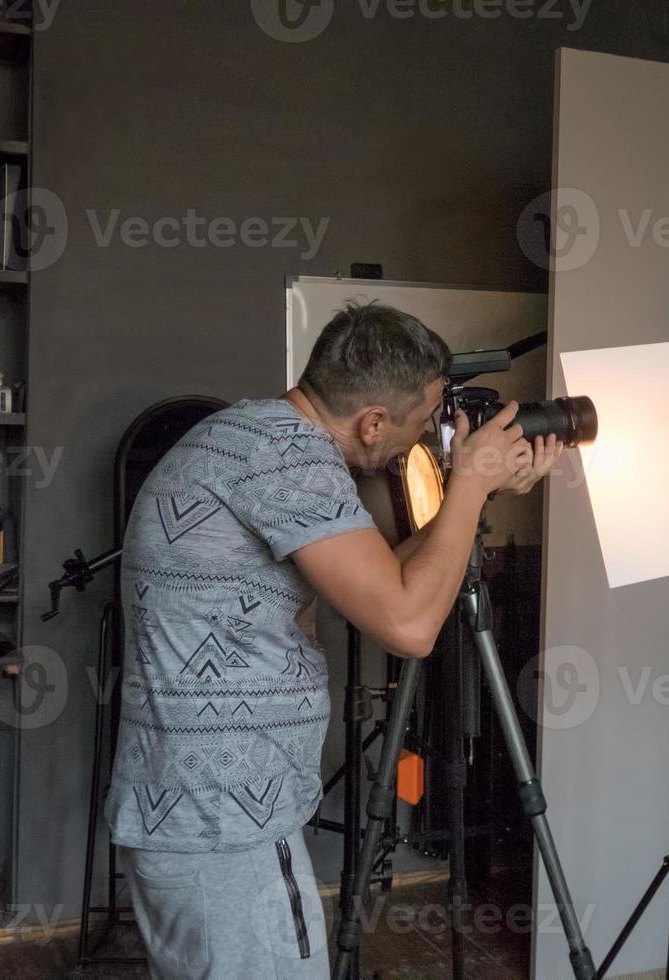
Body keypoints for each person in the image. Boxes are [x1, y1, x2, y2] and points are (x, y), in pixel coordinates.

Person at [105, 301, 560, 977]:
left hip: (192, 818)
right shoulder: (289, 457)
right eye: (416, 425)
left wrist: (477, 493)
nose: (418, 444)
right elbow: (408, 626)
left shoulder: (248, 435)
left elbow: (378, 585)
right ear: (372, 422)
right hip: (226, 827)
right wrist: (466, 483)